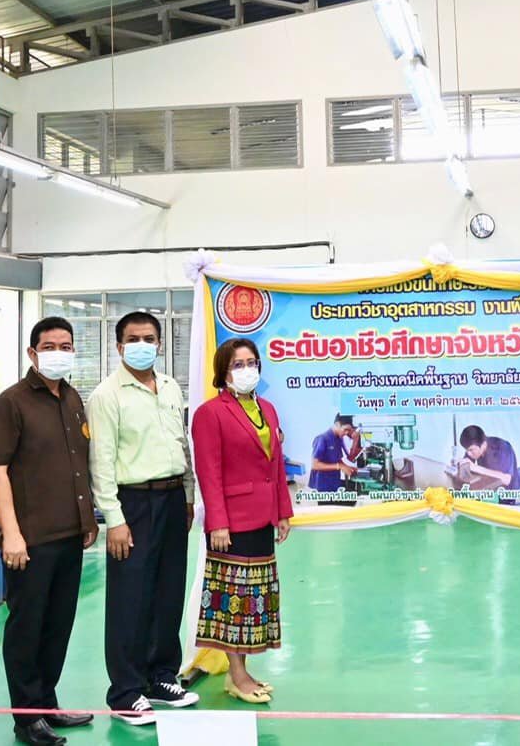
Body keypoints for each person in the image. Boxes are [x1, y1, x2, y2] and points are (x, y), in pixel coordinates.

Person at [0, 319, 99, 746]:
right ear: (32, 353)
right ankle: (27, 716)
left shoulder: (71, 398)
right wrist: (11, 533)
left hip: (69, 534)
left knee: (57, 625)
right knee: (27, 628)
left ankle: (47, 704)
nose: (58, 353)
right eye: (49, 346)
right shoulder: (10, 404)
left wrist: (87, 520)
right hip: (30, 539)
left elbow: (77, 464)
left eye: (65, 346)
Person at [87, 311, 199, 726]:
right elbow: (101, 462)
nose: (142, 345)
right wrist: (114, 519)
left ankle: (161, 676)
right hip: (133, 504)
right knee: (130, 599)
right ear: (119, 347)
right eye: (133, 339)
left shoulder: (169, 387)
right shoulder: (106, 396)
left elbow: (181, 445)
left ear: (159, 343)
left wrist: (188, 496)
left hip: (172, 499)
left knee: (168, 592)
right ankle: (125, 691)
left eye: (149, 338)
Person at [190, 339, 294, 703]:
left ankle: (243, 671)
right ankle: (236, 676)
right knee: (233, 599)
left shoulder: (267, 409)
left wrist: (283, 511)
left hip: (263, 516)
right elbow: (208, 472)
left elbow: (275, 466)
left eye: (252, 362)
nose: (247, 369)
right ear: (223, 371)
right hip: (231, 522)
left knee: (255, 599)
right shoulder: (210, 413)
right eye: (238, 364)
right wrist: (217, 521)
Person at [457, 425, 520, 490]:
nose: (468, 453)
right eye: (466, 450)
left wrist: (475, 468)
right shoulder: (473, 448)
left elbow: (506, 480)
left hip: (513, 491)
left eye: (471, 450)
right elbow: (466, 470)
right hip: (493, 490)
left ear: (483, 444)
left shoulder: (502, 448)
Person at [307, 414, 357, 492]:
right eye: (345, 429)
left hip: (334, 482)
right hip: (322, 485)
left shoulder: (338, 439)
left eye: (349, 430)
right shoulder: (322, 439)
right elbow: (315, 465)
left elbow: (337, 459)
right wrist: (339, 466)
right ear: (337, 424)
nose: (346, 433)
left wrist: (348, 468)